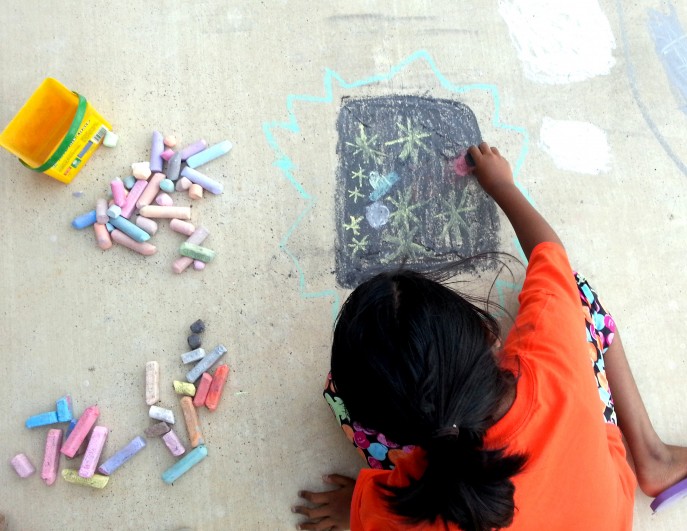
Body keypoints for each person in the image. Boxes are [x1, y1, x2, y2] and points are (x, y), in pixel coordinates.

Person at [292, 142, 687, 530]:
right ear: (487, 333)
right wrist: (503, 186)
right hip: (607, 515)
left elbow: (381, 509)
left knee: (339, 392)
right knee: (573, 289)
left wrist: (356, 506)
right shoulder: (548, 352)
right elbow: (551, 256)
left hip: (442, 473)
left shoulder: (406, 511)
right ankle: (651, 454)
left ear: (395, 429)